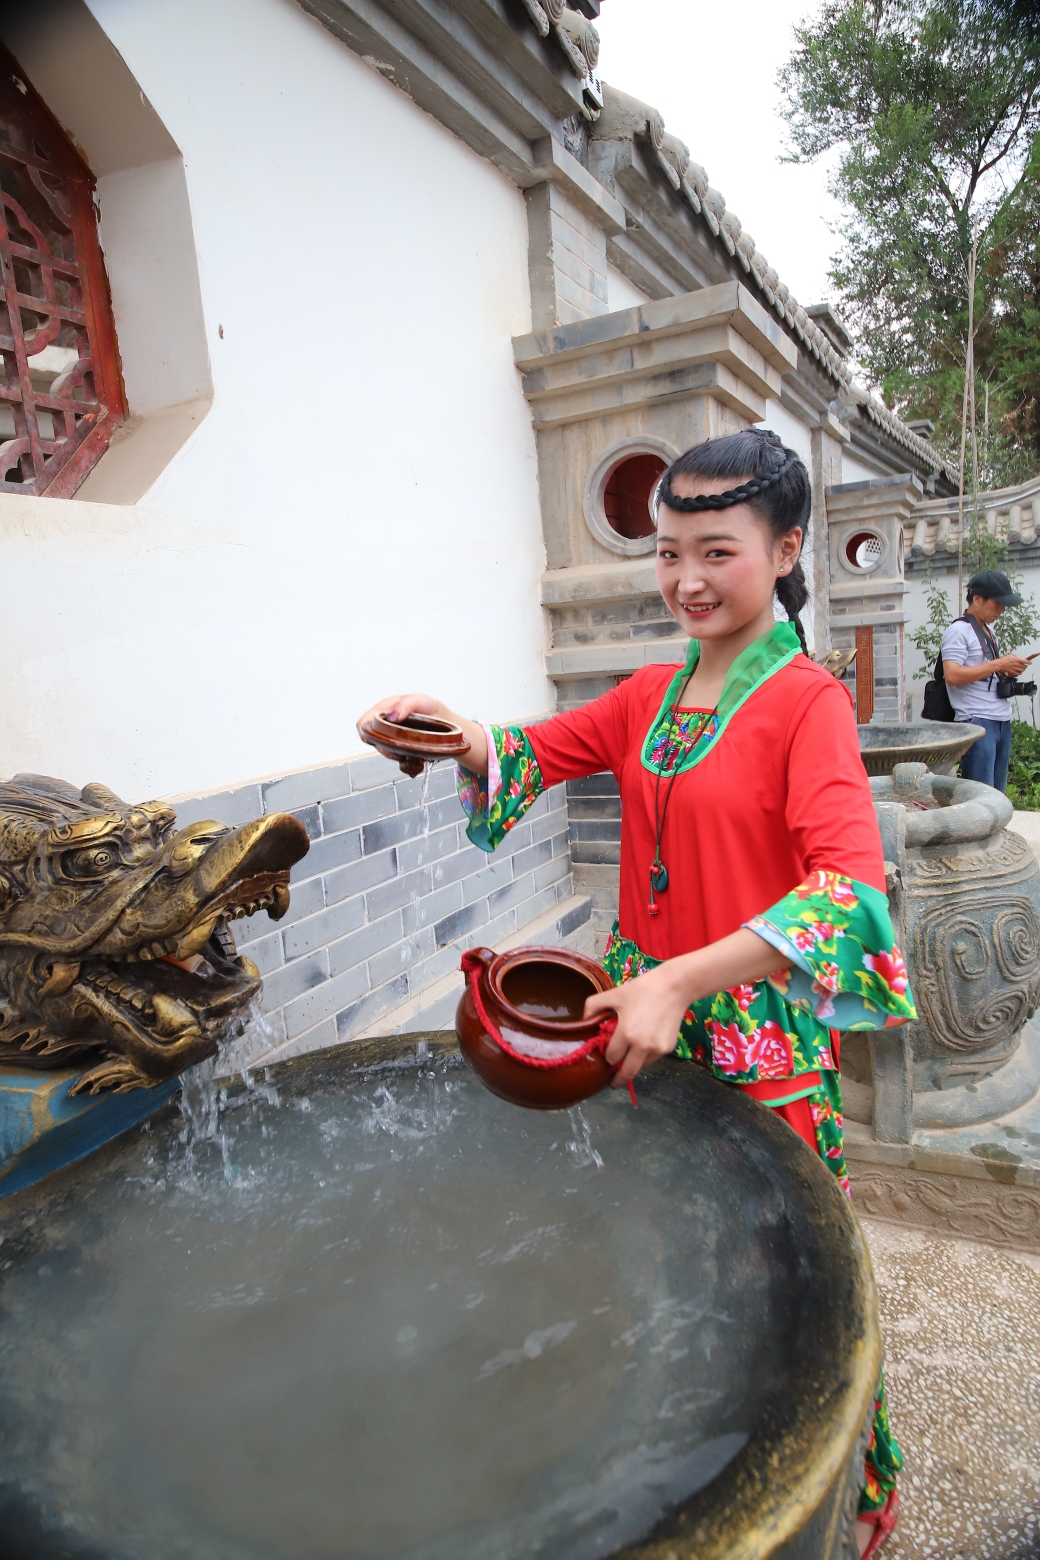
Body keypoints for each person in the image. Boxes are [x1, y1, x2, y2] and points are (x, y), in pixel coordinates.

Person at [357, 428, 914, 1557]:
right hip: (640, 1022)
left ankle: (848, 1489)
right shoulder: (651, 694)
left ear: (785, 549)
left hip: (752, 1046)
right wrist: (456, 734)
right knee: (666, 1243)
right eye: (667, 553)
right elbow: (533, 749)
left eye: (716, 551)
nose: (687, 580)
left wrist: (682, 979)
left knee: (789, 1276)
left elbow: (851, 895)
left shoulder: (806, 704)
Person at [940, 570, 1030, 792]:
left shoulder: (988, 631)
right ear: (977, 599)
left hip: (1000, 719)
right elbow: (952, 675)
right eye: (997, 604)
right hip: (977, 720)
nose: (1001, 610)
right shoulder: (958, 631)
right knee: (981, 794)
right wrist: (999, 664)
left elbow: (986, 671)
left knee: (997, 794)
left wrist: (1008, 669)